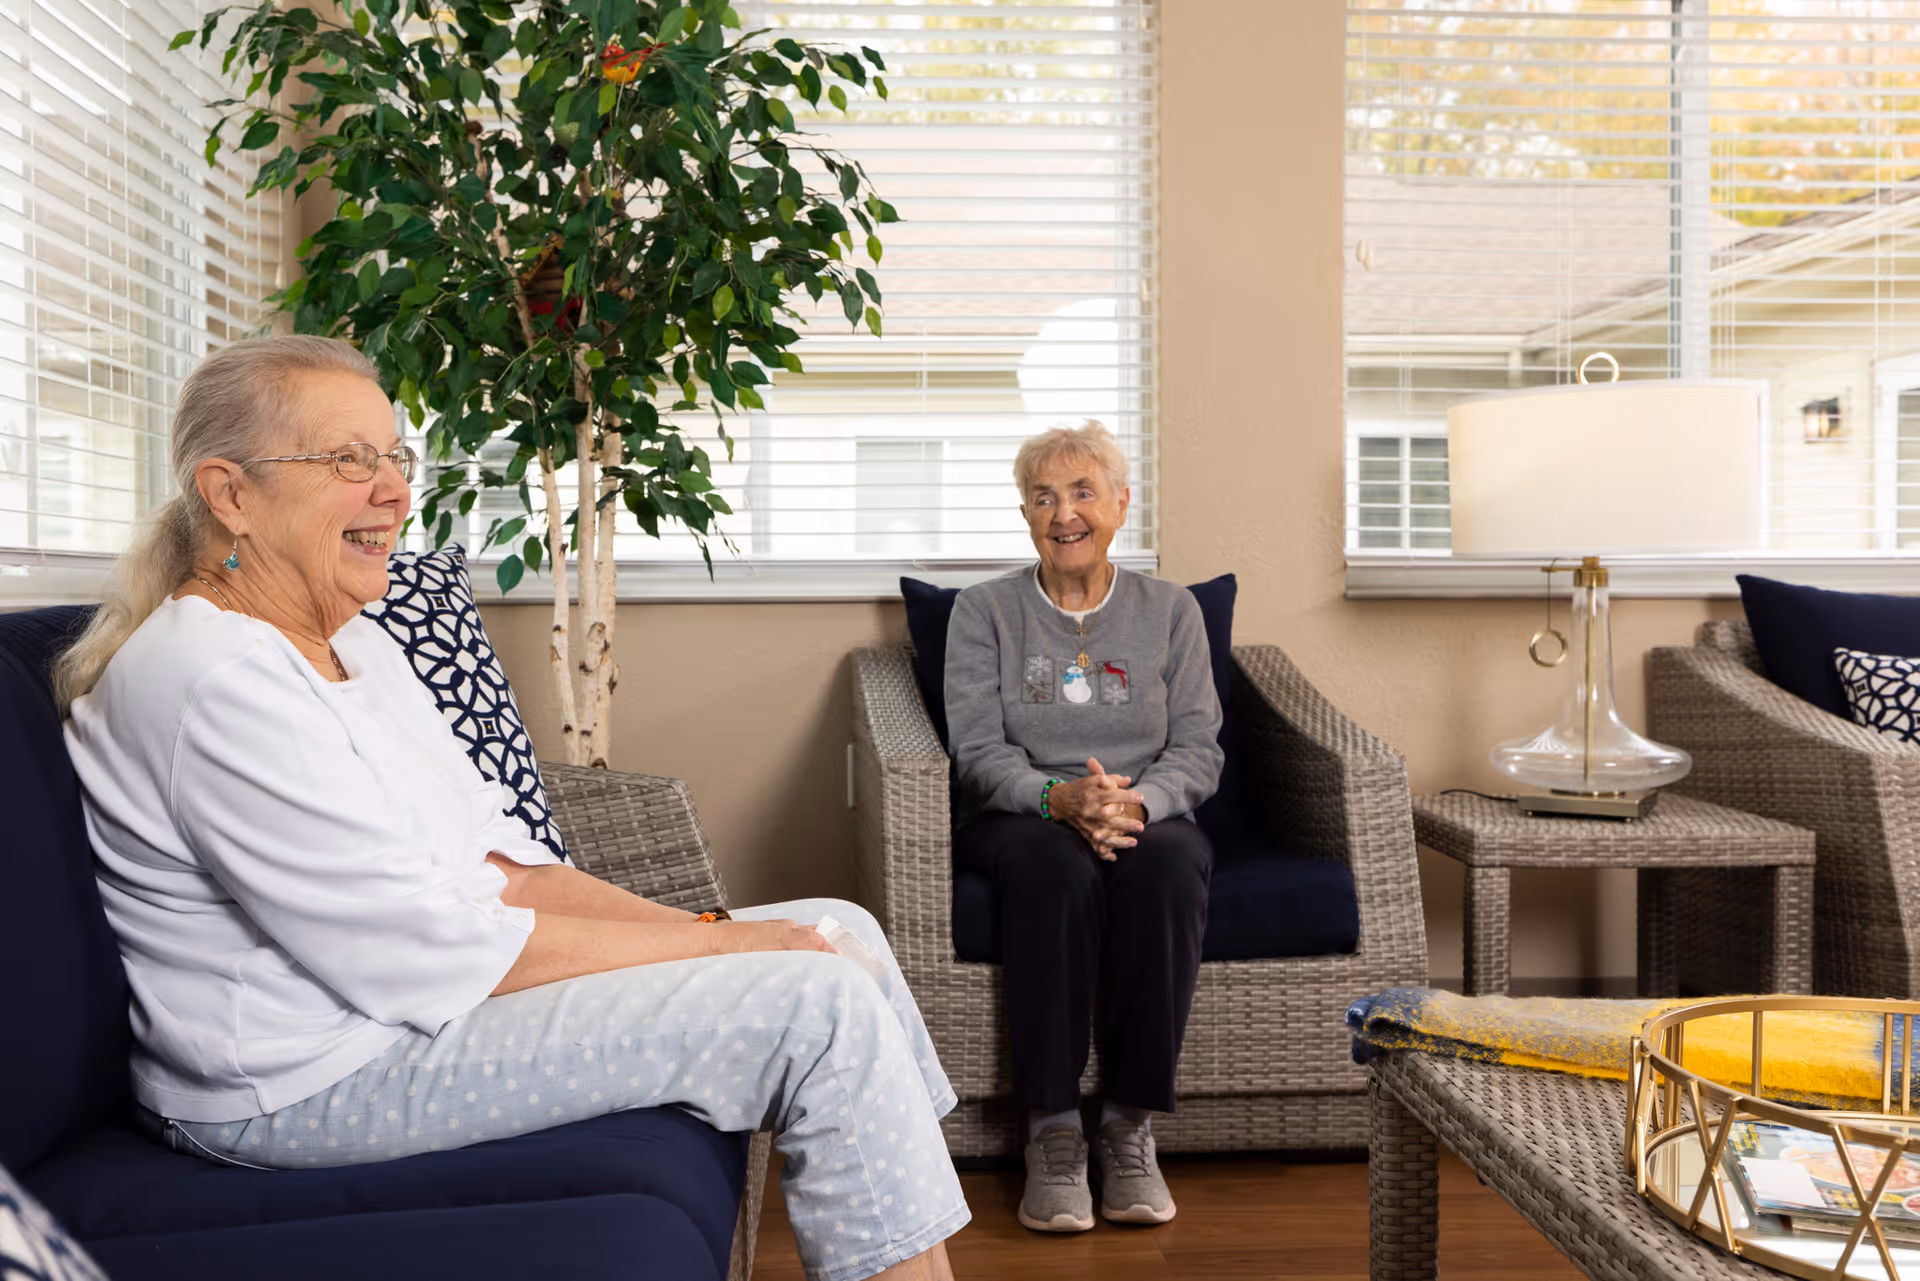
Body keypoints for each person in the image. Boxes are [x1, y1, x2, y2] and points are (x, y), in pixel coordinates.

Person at [58, 335, 966, 1281]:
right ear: (229, 492)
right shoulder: (211, 677)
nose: (392, 491)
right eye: (347, 460)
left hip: (399, 1015)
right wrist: (730, 947)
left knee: (834, 925)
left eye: (394, 458)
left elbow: (504, 868)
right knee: (812, 998)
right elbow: (430, 952)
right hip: (293, 1085)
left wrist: (716, 928)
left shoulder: (353, 645)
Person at [944, 421, 1223, 1234]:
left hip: (1146, 807)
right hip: (1022, 814)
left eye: (1082, 492)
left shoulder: (1172, 611)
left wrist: (1137, 803)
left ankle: (1130, 1127)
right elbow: (976, 750)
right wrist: (1054, 799)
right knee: (1053, 869)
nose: (1063, 513)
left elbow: (1199, 747)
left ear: (1120, 504)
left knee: (1169, 866)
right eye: (1042, 496)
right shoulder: (983, 611)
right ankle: (1054, 1132)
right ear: (1025, 512)